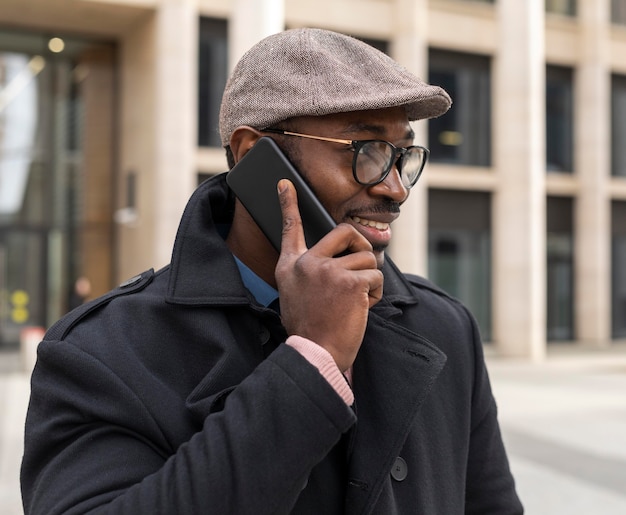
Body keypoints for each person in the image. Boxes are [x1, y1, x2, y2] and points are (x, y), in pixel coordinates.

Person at [21, 28, 523, 514]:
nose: (395, 188)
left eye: (402, 157)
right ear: (253, 157)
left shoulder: (444, 327)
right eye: (365, 152)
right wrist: (312, 361)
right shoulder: (104, 352)